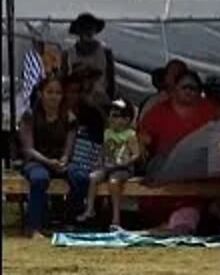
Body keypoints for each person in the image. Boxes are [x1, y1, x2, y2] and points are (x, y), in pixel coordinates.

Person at [138, 69, 220, 233]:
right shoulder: (160, 110)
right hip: (164, 164)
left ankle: (181, 224)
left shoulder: (208, 109)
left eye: (194, 88)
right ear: (174, 90)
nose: (190, 91)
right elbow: (143, 139)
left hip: (197, 167)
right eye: (185, 87)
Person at [19, 75, 90, 237]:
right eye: (49, 92)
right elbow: (28, 149)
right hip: (36, 160)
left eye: (58, 93)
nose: (54, 96)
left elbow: (69, 146)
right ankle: (34, 226)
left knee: (80, 177)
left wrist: (64, 159)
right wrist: (47, 161)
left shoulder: (69, 116)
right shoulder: (30, 115)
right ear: (41, 93)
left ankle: (70, 220)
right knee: (39, 178)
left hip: (59, 161)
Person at [78, 99, 141, 229]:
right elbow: (104, 150)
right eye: (111, 115)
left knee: (113, 182)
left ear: (127, 119)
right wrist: (99, 162)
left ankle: (116, 218)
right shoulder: (107, 132)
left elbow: (136, 154)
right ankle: (90, 209)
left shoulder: (130, 135)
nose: (112, 119)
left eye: (117, 116)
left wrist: (124, 162)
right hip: (108, 165)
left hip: (123, 168)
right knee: (93, 177)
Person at [64, 12, 115, 112]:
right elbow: (64, 79)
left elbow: (111, 80)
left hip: (100, 103)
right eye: (84, 28)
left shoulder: (105, 52)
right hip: (76, 105)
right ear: (78, 31)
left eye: (91, 27)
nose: (88, 31)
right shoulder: (68, 53)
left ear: (95, 30)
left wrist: (110, 103)